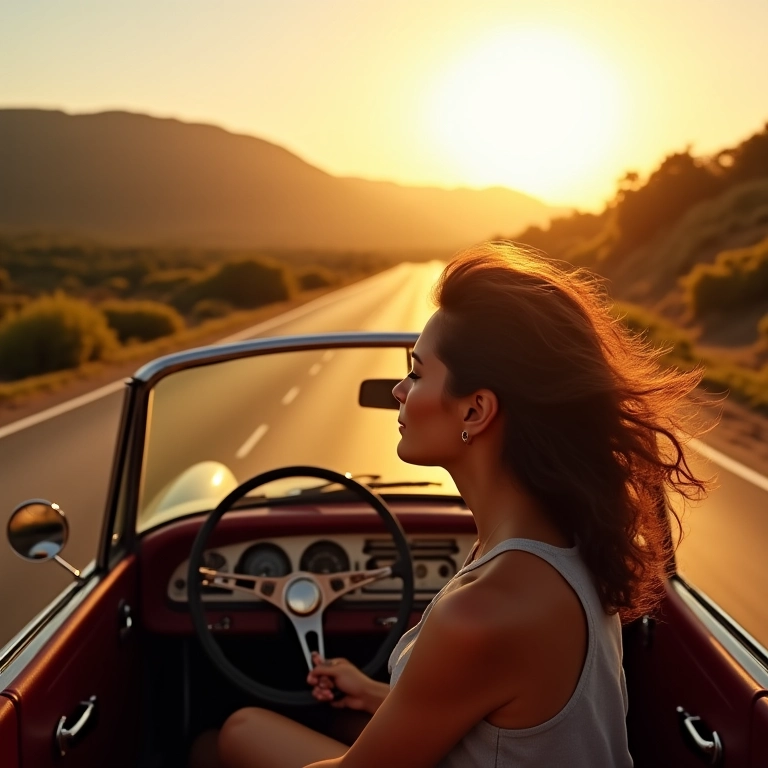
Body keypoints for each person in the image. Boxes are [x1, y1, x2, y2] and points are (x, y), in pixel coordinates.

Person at [215, 242, 710, 768]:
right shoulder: (566, 543)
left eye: (417, 372)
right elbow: (496, 721)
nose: (400, 392)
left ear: (475, 409)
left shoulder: (484, 611)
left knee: (235, 732)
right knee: (338, 719)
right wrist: (365, 691)